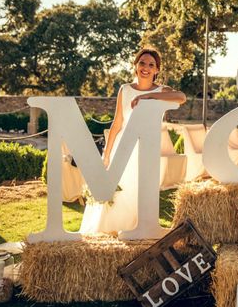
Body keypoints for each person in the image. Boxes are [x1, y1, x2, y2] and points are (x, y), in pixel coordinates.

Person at [80, 47, 186, 235]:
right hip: (124, 147)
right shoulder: (125, 89)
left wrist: (148, 96)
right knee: (120, 191)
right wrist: (106, 154)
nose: (146, 67)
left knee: (140, 191)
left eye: (151, 65)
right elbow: (117, 123)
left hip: (147, 150)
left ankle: (136, 229)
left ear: (156, 70)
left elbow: (181, 97)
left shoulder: (162, 90)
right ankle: (111, 230)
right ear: (136, 66)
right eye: (142, 63)